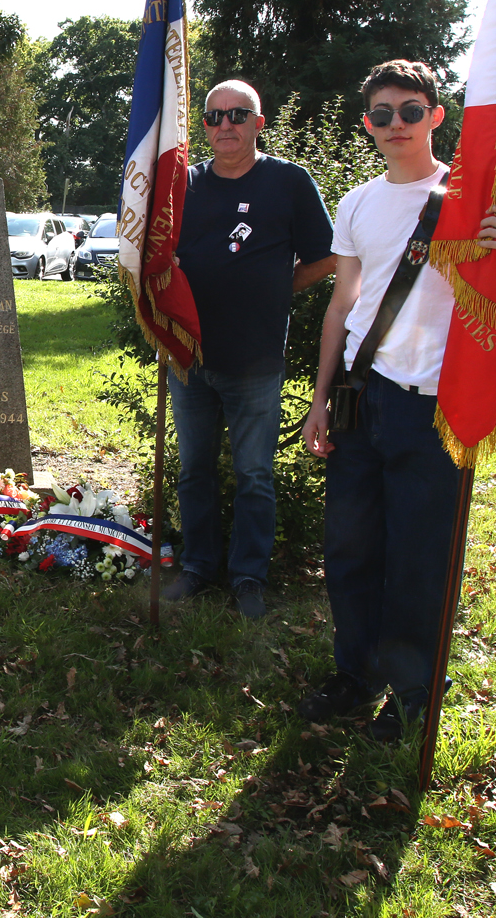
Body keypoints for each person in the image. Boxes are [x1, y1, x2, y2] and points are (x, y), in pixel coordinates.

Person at [298, 59, 496, 741]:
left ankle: (411, 697)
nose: (394, 124)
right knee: (348, 547)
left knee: (417, 557)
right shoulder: (357, 202)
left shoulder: (464, 199)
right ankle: (355, 672)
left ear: (435, 115)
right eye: (380, 113)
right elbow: (342, 304)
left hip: (428, 406)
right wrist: (320, 399)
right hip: (357, 397)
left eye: (408, 110)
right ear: (366, 123)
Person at [161, 80, 336, 620]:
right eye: (214, 117)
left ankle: (248, 577)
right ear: (204, 126)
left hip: (256, 359)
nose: (225, 125)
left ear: (259, 123)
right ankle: (198, 567)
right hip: (190, 358)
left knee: (255, 473)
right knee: (194, 471)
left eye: (237, 115)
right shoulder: (183, 185)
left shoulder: (288, 182)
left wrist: (277, 288)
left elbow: (326, 256)